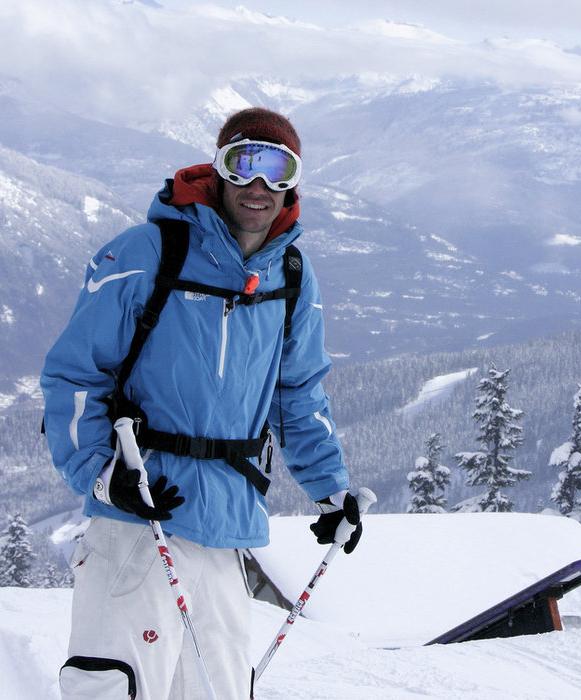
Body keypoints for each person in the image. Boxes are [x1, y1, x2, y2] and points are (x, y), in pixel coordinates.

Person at [41, 108, 363, 699]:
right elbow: (73, 377)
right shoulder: (148, 250)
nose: (260, 187)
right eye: (245, 165)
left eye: (278, 169)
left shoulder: (292, 274)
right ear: (220, 170)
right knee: (117, 688)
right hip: (137, 518)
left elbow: (301, 393)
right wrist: (101, 476)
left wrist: (331, 489)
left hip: (224, 530)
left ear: (294, 180)